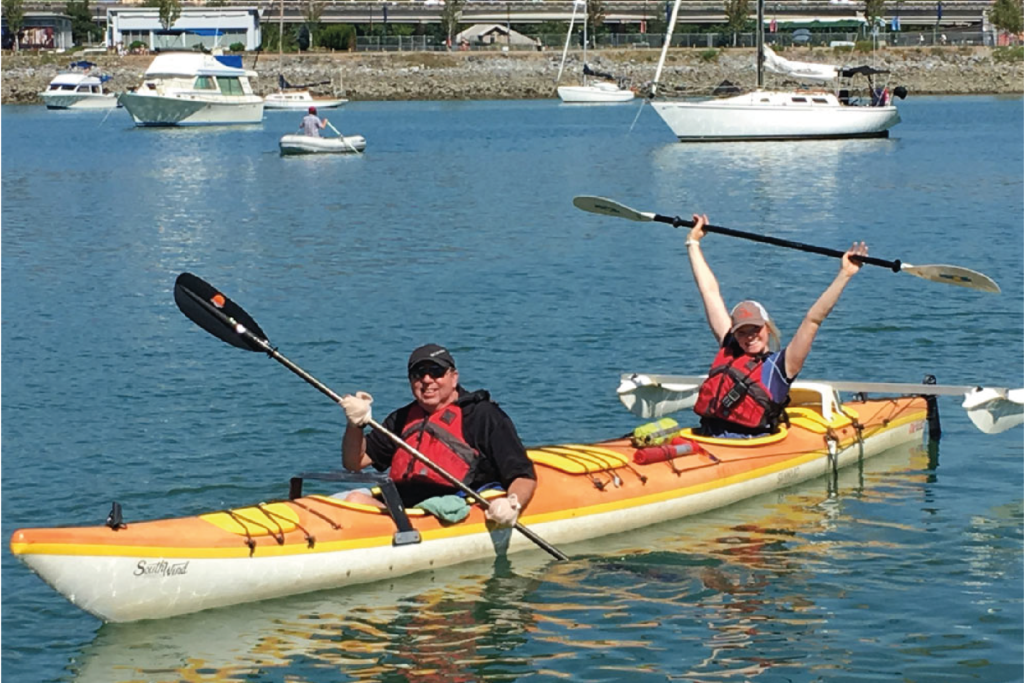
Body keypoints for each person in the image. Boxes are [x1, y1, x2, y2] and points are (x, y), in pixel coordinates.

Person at [685, 214, 868, 438]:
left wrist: (845, 274)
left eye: (755, 329)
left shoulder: (781, 366)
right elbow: (709, 292)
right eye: (742, 331)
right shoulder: (730, 347)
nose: (749, 336)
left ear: (767, 329)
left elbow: (813, 319)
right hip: (707, 436)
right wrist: (693, 243)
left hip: (750, 445)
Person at [339, 344, 536, 527]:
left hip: (452, 507)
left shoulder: (482, 416)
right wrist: (355, 424)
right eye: (418, 374)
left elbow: (523, 476)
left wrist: (512, 505)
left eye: (436, 372)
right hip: (403, 508)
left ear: (454, 377)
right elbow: (354, 463)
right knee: (355, 499)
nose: (426, 380)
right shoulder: (401, 418)